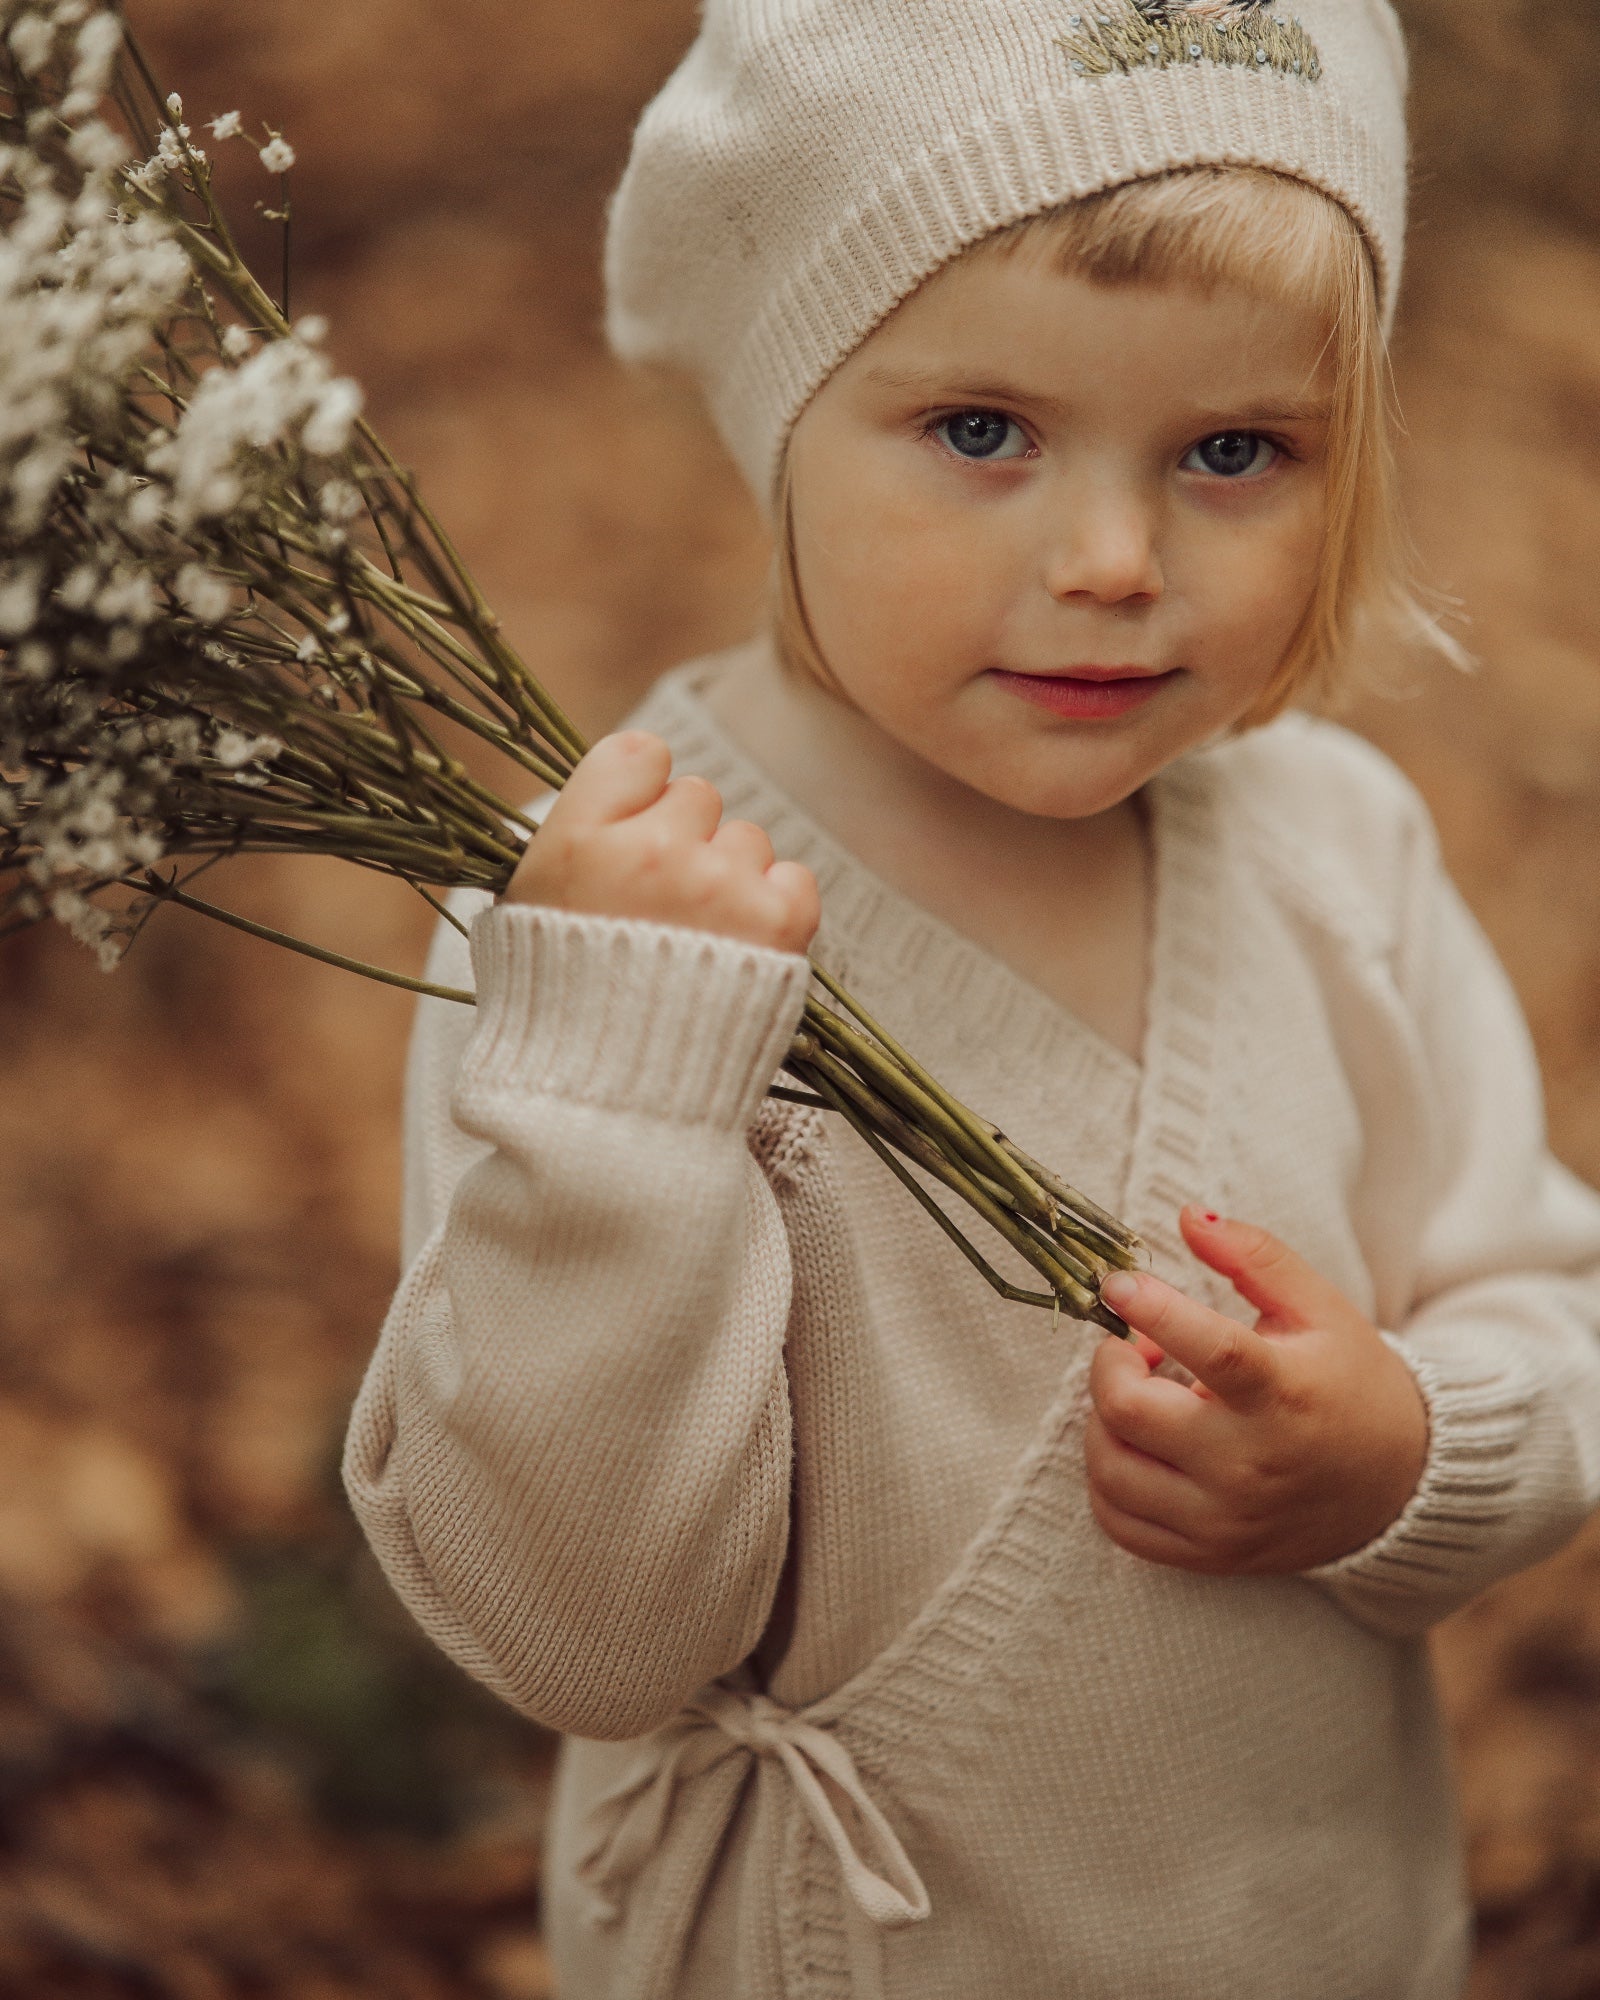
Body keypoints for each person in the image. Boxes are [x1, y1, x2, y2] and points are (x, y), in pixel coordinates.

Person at [344, 2, 1600, 1993]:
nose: (1110, 559)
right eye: (982, 433)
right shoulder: (587, 924)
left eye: (1231, 451)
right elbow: (583, 1635)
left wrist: (1411, 1449)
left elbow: (1543, 1300)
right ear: (785, 421)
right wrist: (613, 1101)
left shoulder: (1332, 852)